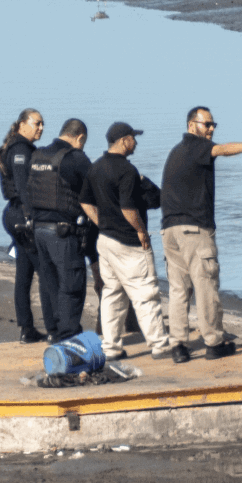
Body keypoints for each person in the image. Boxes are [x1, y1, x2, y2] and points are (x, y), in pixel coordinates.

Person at [160, 106, 242, 363]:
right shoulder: (196, 147)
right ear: (191, 125)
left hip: (169, 230)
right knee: (206, 286)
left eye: (213, 125)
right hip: (194, 231)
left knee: (178, 290)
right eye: (206, 124)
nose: (211, 129)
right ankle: (213, 342)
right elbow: (221, 150)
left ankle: (178, 346)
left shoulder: (176, 151)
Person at [79, 122, 173, 361]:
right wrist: (141, 231)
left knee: (112, 293)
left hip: (105, 240)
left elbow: (85, 202)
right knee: (145, 293)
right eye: (133, 138)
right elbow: (129, 208)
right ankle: (160, 344)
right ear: (123, 141)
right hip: (129, 243)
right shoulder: (126, 170)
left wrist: (102, 223)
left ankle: (110, 347)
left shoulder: (95, 167)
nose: (136, 142)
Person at [27, 118, 92, 342]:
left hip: (38, 230)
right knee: (71, 284)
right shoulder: (75, 158)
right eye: (83, 142)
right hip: (63, 232)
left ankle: (54, 331)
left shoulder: (37, 156)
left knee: (49, 282)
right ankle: (69, 335)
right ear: (79, 137)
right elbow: (94, 190)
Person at [0, 108, 47, 344]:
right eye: (37, 123)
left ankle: (27, 329)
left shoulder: (16, 147)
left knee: (24, 274)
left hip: (14, 215)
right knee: (45, 272)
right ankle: (55, 327)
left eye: (43, 124)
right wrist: (30, 218)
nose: (41, 128)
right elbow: (24, 187)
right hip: (20, 215)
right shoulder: (20, 150)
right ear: (22, 125)